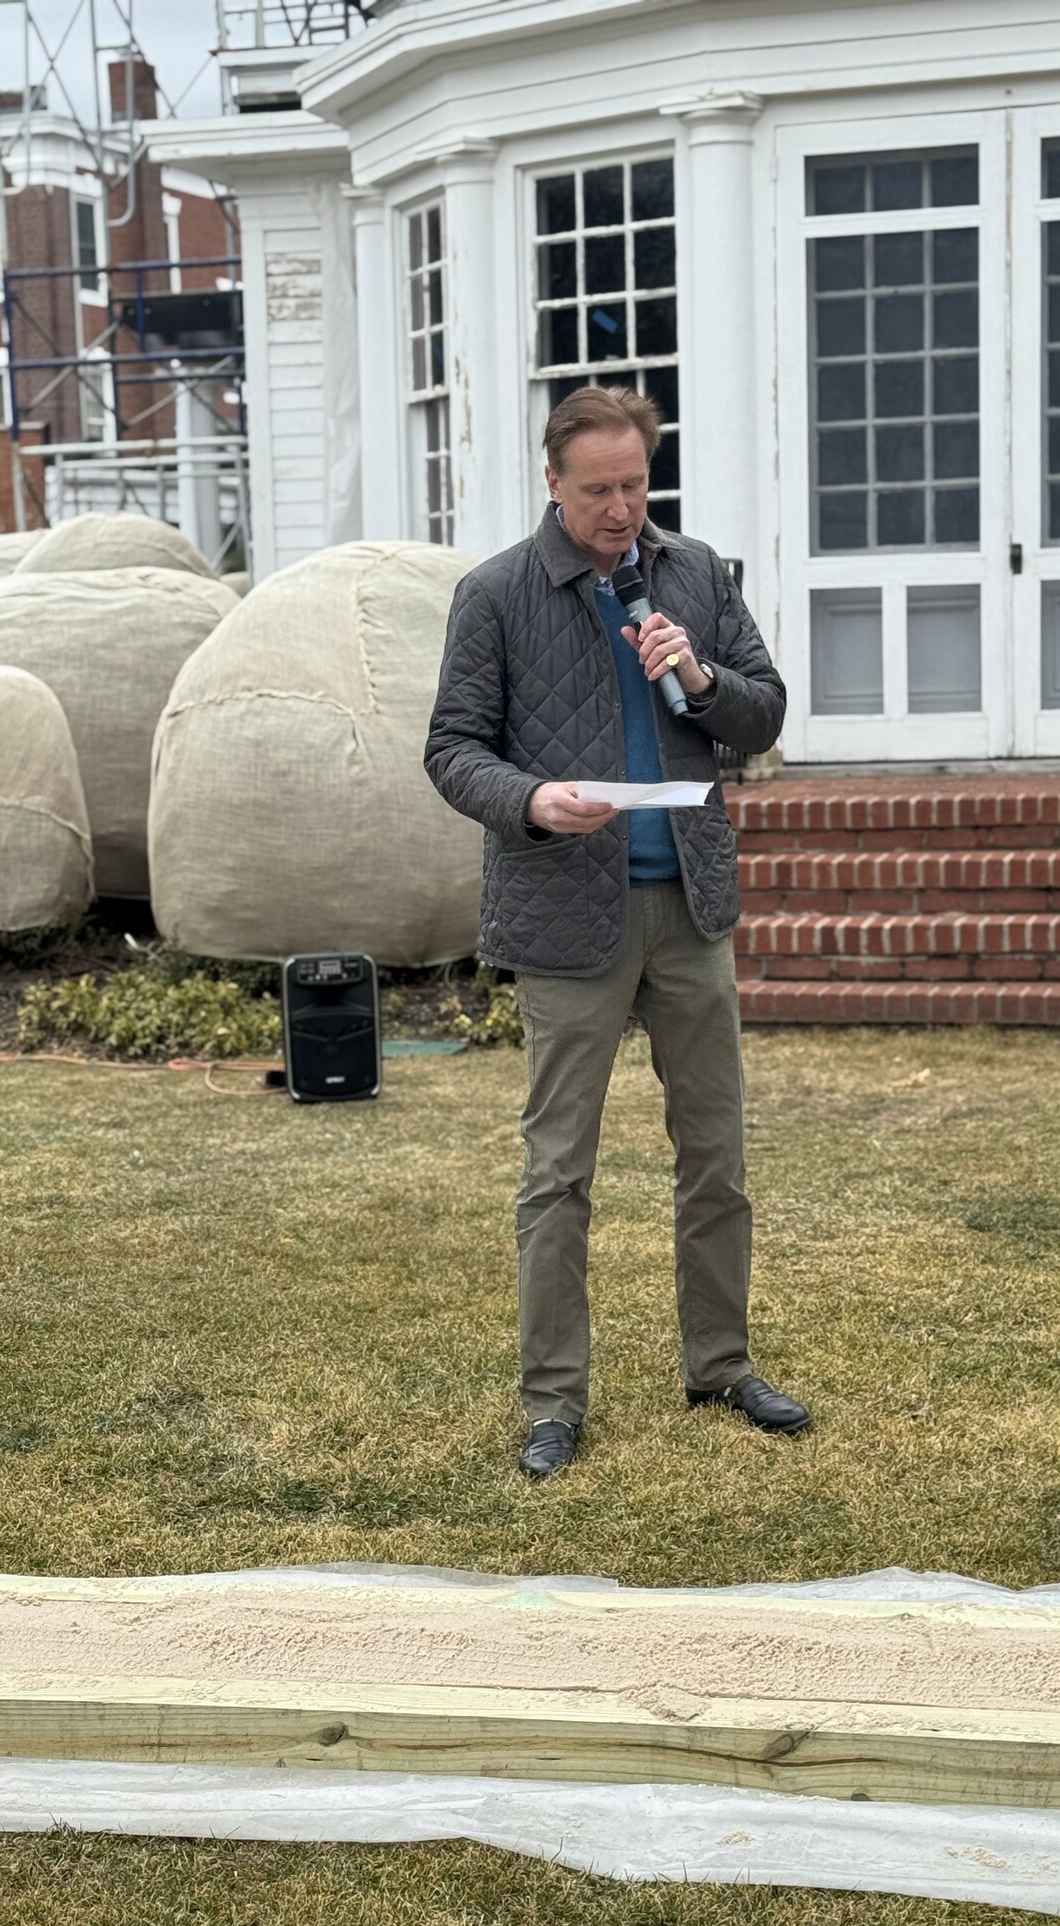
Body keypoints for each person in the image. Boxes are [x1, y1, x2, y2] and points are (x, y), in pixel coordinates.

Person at [424, 384, 810, 1479]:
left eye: (636, 484)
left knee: (717, 1155)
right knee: (558, 1173)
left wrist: (697, 674)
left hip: (689, 906)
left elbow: (766, 711)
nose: (620, 509)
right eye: (598, 489)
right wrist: (532, 800)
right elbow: (453, 748)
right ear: (552, 482)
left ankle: (722, 1364)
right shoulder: (494, 594)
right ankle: (553, 1400)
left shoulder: (693, 573)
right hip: (563, 914)